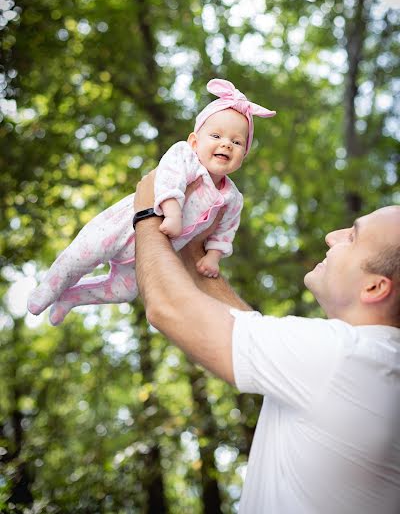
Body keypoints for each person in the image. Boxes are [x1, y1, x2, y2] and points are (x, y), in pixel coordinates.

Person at [133, 169, 400, 514]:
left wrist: (148, 212)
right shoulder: (374, 361)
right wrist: (195, 243)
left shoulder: (343, 355)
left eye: (352, 237)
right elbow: (241, 326)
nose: (333, 237)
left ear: (375, 287)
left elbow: (168, 308)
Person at [27, 79, 275, 326]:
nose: (226, 144)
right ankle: (48, 288)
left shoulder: (231, 198)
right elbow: (169, 178)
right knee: (80, 256)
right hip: (122, 225)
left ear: (244, 155)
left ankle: (72, 297)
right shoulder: (185, 157)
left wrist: (213, 255)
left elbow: (225, 229)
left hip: (153, 249)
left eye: (237, 142)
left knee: (125, 291)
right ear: (194, 142)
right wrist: (172, 211)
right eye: (216, 135)